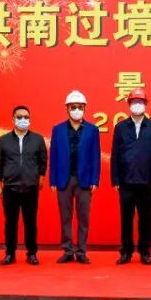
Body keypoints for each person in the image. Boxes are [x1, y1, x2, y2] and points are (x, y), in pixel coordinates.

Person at [111, 88, 151, 265]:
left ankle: (145, 251)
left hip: (147, 182)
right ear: (129, 105)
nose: (137, 105)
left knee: (146, 218)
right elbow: (115, 154)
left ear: (146, 105)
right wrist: (115, 179)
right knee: (126, 218)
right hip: (126, 181)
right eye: (134, 102)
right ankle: (126, 251)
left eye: (140, 102)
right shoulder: (121, 127)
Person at [49, 90, 101, 264]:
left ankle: (81, 251)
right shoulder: (58, 130)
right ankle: (67, 250)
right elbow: (54, 155)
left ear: (85, 108)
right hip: (63, 179)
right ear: (67, 108)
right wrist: (53, 180)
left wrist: (95, 180)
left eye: (80, 107)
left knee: (83, 216)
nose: (77, 110)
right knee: (65, 216)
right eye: (73, 107)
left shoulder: (92, 130)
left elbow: (95, 156)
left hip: (84, 180)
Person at [0, 104, 47, 265]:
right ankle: (10, 254)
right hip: (10, 188)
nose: (23, 120)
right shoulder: (4, 140)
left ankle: (32, 253)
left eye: (26, 117)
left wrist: (41, 178)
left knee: (31, 223)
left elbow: (43, 161)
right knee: (10, 223)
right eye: (19, 117)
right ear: (13, 119)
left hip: (30, 188)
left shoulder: (38, 139)